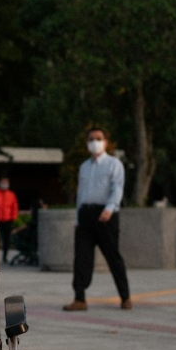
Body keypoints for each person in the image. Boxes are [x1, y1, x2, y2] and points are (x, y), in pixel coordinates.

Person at [64, 127, 131, 311]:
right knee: (81, 257)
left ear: (106, 142)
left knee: (113, 257)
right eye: (92, 139)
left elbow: (117, 188)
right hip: (86, 215)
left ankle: (125, 296)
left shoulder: (114, 164)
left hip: (105, 216)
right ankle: (79, 298)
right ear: (87, 144)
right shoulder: (84, 167)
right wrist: (78, 218)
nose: (95, 142)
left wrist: (110, 208)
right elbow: (81, 194)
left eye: (99, 138)